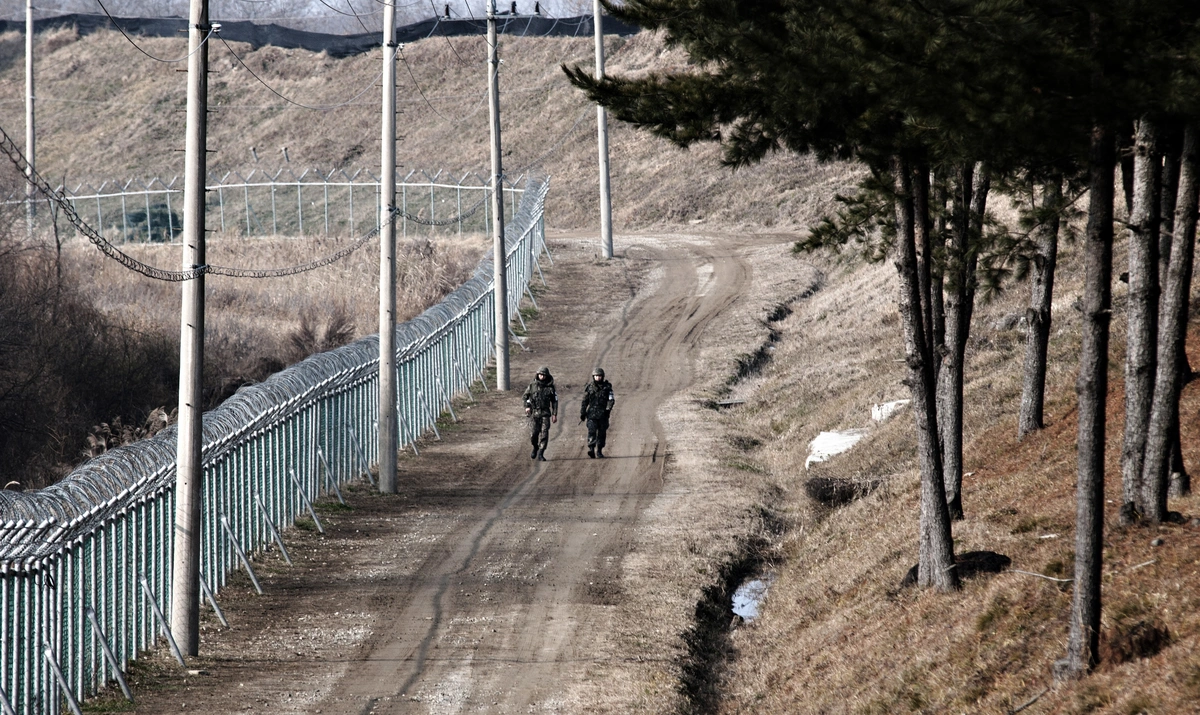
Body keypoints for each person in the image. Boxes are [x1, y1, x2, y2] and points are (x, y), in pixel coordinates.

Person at [522, 366, 558, 461]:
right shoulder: (532, 386)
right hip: (534, 413)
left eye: (543, 375)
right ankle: (535, 447)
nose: (541, 376)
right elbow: (525, 397)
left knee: (544, 433)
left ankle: (541, 453)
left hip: (545, 413)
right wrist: (527, 407)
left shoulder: (550, 388)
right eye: (540, 374)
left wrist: (554, 414)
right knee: (533, 434)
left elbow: (554, 401)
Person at [580, 367, 615, 458]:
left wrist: (608, 410)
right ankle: (591, 449)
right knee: (591, 431)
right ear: (593, 377)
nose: (598, 378)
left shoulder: (607, 387)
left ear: (602, 377)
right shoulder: (589, 387)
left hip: (603, 415)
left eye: (599, 376)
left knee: (602, 433)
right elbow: (585, 401)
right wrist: (582, 413)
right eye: (596, 376)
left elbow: (611, 400)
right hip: (591, 414)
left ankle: (599, 450)